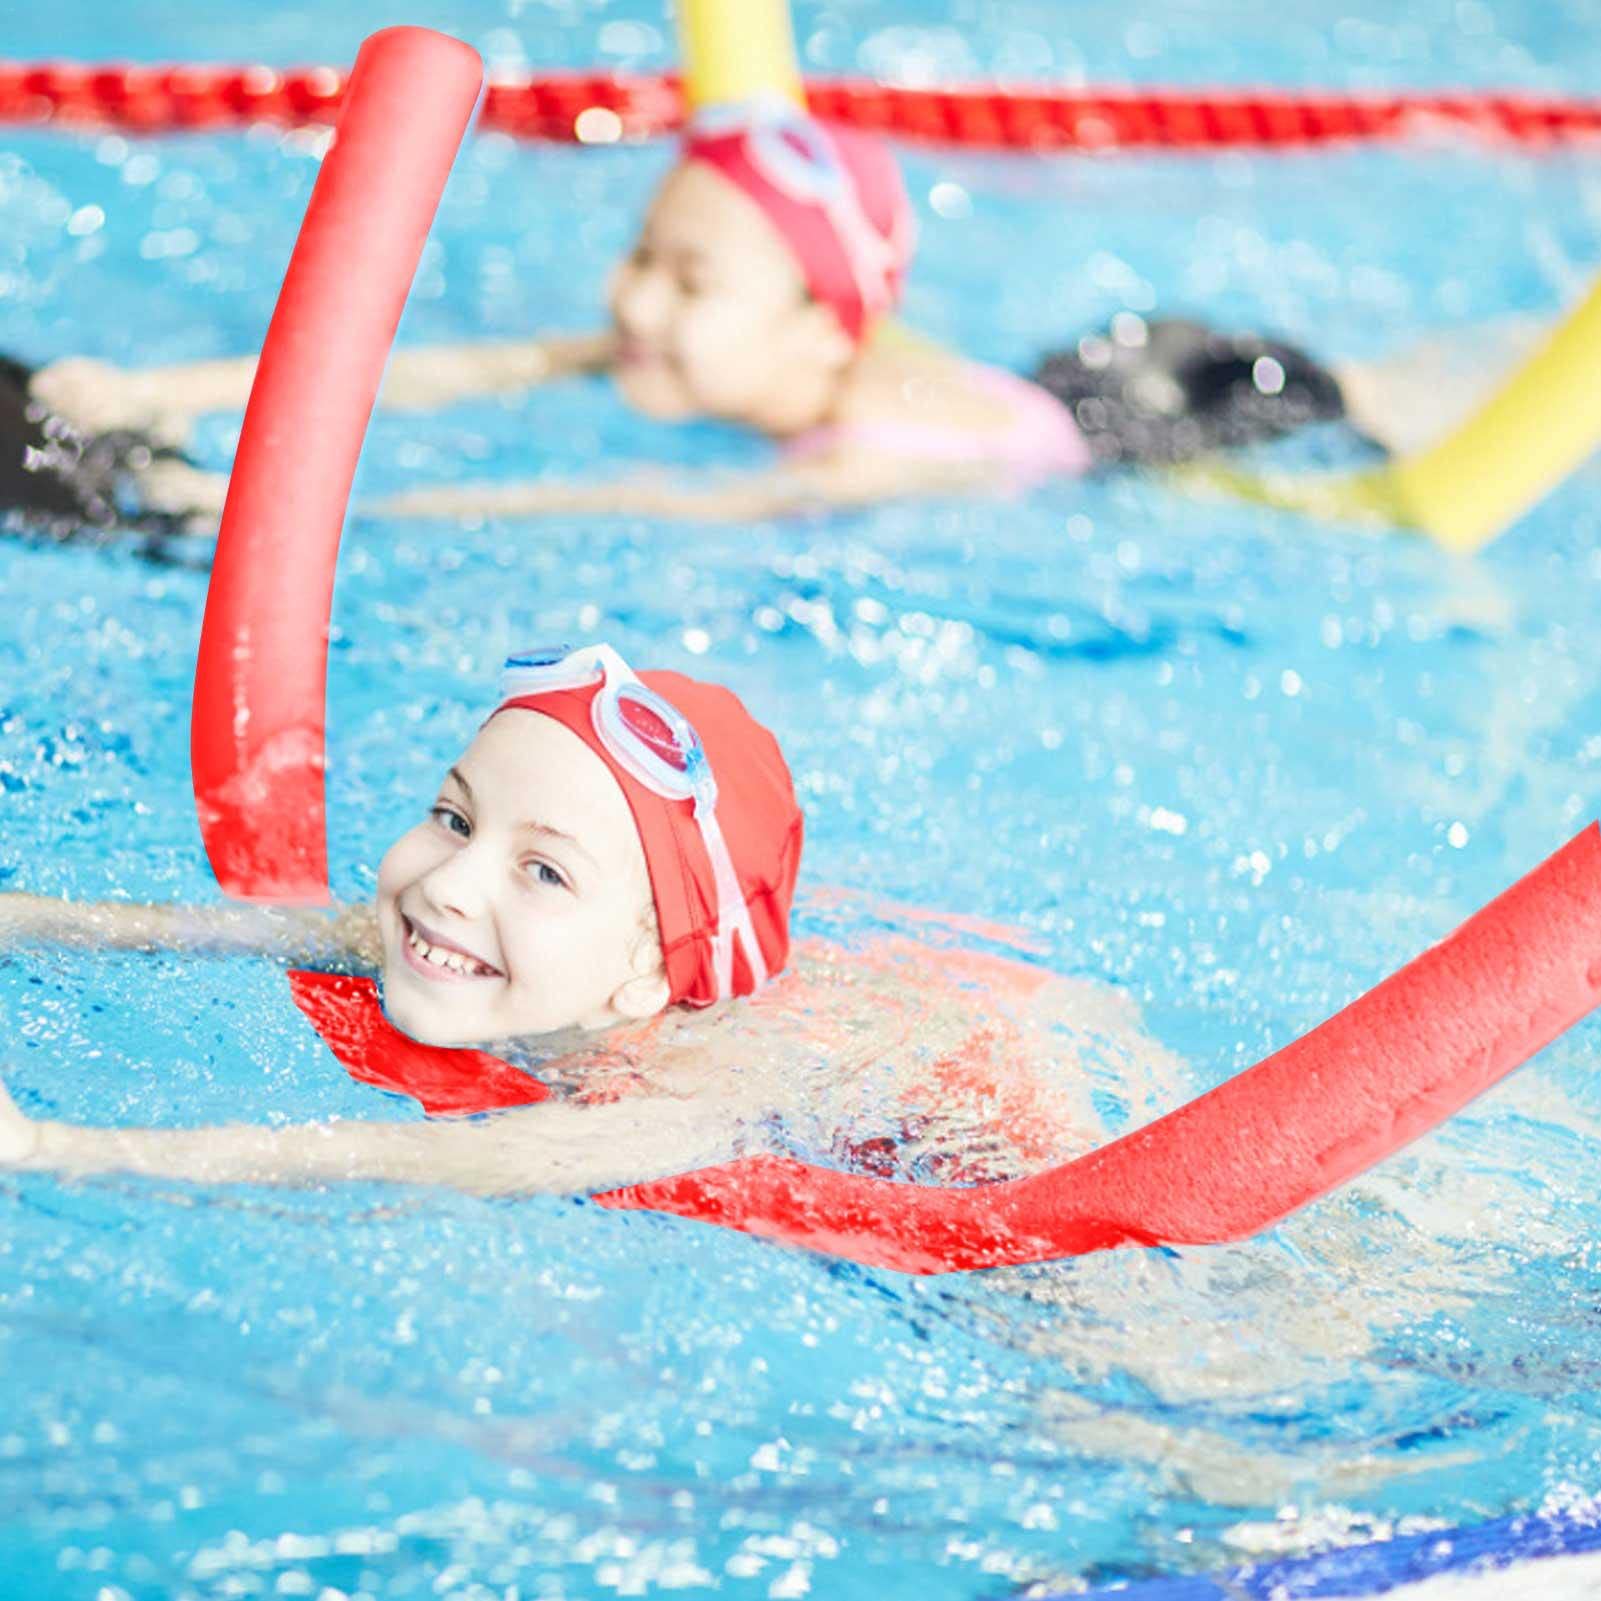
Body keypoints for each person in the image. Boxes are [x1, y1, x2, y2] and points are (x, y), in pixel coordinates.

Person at [15, 105, 1542, 539]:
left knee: (1394, 405)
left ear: (821, 336)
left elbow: (589, 491)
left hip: (1157, 415)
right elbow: (448, 368)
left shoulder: (855, 442)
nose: (630, 304)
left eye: (688, 284)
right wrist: (161, 387)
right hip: (1076, 366)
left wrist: (279, 510)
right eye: (643, 257)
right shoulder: (723, 345)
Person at [0, 643, 1177, 1192]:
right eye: (454, 817)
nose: (450, 884)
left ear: (641, 982)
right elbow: (178, 925)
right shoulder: (448, 926)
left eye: (544, 872)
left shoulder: (678, 1098)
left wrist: (70, 1150)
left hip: (1013, 1102)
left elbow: (431, 1158)